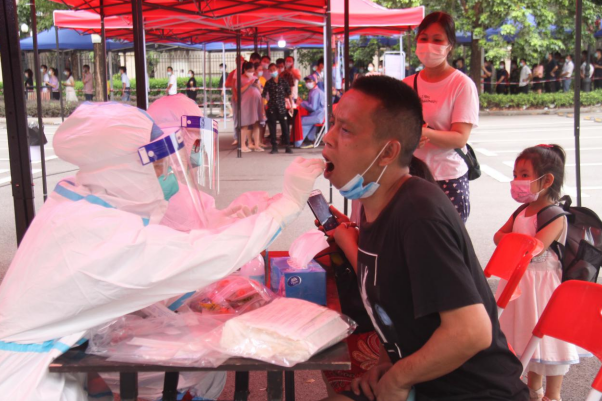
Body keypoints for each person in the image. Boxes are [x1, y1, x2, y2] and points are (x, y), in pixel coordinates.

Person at [0, 101, 325, 401]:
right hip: (26, 383)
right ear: (123, 169)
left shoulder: (81, 206)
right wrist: (285, 207)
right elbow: (196, 255)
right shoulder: (97, 232)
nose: (167, 175)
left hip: (47, 364)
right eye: (158, 167)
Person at [320, 75, 528, 401]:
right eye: (334, 123)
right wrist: (387, 362)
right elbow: (396, 306)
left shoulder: (418, 214)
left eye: (345, 130)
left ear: (388, 152)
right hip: (425, 384)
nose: (328, 137)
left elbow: (472, 331)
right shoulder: (377, 206)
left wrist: (398, 378)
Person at [494, 144, 583, 401]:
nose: (517, 181)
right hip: (519, 282)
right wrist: (516, 244)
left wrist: (514, 243)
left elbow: (535, 248)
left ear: (547, 180)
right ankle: (535, 391)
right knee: (525, 335)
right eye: (515, 174)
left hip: (543, 286)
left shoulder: (554, 215)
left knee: (548, 337)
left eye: (524, 175)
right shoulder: (522, 210)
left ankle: (552, 395)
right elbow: (498, 236)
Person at [403, 11, 479, 223]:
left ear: (450, 45)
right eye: (424, 38)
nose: (429, 45)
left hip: (448, 177)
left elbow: (460, 138)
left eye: (437, 40)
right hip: (411, 175)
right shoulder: (406, 84)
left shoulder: (462, 85)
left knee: (446, 238)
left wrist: (423, 133)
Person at [233, 61, 265, 152]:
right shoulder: (240, 78)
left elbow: (261, 91)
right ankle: (243, 145)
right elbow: (239, 91)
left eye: (253, 71)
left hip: (256, 103)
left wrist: (257, 85)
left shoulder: (255, 78)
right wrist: (249, 84)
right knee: (245, 124)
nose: (251, 73)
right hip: (245, 104)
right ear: (245, 70)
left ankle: (257, 145)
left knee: (256, 124)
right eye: (249, 71)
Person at [262, 63, 292, 154]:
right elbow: (263, 95)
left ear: (278, 70)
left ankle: (287, 146)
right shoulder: (268, 82)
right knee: (272, 127)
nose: (273, 71)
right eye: (271, 70)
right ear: (269, 71)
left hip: (282, 107)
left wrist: (291, 106)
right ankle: (274, 147)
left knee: (285, 127)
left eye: (274, 69)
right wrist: (263, 108)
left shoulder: (284, 81)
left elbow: (289, 93)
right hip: (272, 107)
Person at [296, 75, 325, 148]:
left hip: (317, 116)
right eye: (307, 81)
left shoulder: (316, 92)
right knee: (302, 119)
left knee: (300, 121)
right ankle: (308, 139)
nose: (308, 83)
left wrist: (302, 103)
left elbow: (313, 107)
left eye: (310, 81)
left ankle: (302, 142)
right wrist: (303, 102)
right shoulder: (313, 91)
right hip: (316, 115)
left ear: (315, 82)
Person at [226, 55, 246, 145]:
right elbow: (227, 84)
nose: (241, 62)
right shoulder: (234, 72)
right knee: (237, 119)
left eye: (242, 60)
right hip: (237, 97)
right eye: (239, 60)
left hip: (246, 97)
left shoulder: (246, 71)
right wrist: (235, 87)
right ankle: (237, 137)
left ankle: (245, 137)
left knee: (246, 119)